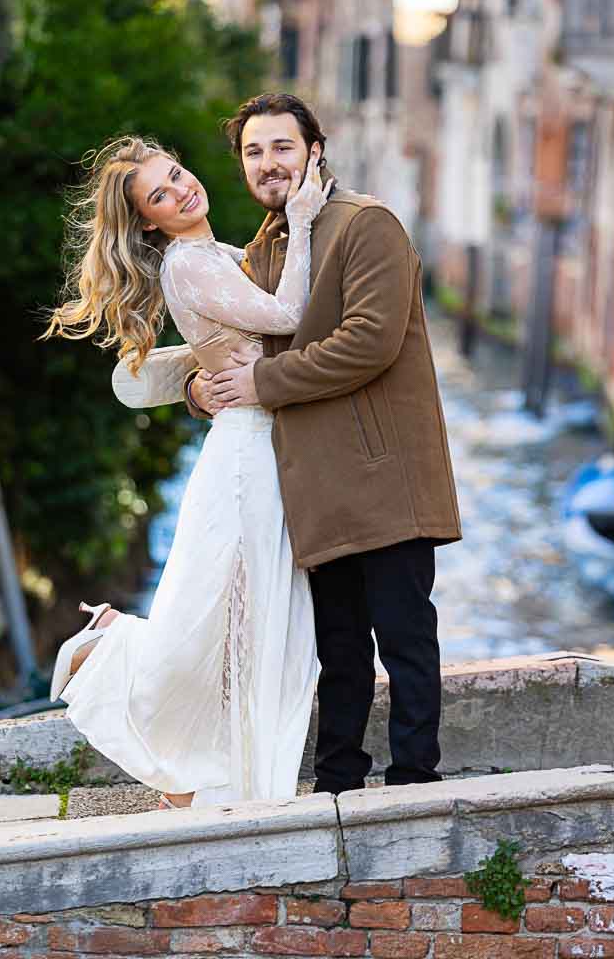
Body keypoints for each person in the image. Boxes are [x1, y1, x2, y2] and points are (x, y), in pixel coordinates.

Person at [131, 93, 462, 795]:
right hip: (312, 482)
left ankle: (414, 787)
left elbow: (366, 345)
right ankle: (339, 783)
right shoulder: (268, 243)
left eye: (282, 147)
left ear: (315, 150)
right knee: (337, 646)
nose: (268, 163)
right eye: (254, 152)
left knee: (403, 638)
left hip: (384, 470)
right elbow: (236, 343)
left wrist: (261, 382)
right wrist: (199, 390)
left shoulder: (366, 225)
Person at [43, 134, 330, 808]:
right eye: (160, 194)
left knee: (253, 614)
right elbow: (289, 313)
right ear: (149, 219)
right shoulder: (188, 265)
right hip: (244, 456)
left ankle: (224, 772)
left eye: (175, 174)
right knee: (223, 613)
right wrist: (307, 218)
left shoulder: (213, 254)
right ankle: (114, 651)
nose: (181, 189)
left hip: (264, 444)